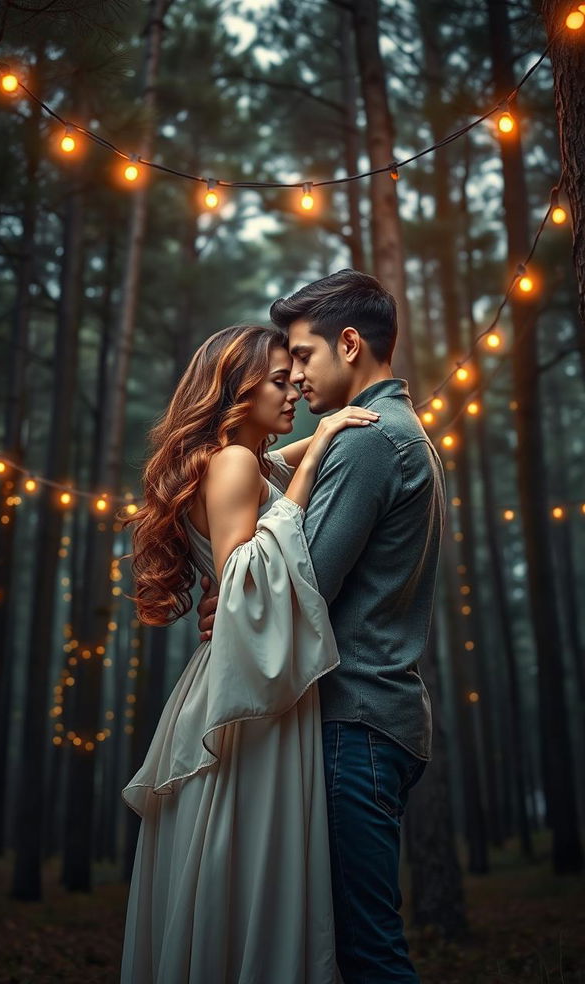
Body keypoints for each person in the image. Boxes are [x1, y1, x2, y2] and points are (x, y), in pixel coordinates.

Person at [197, 269, 447, 984]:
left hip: (356, 725)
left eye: (303, 357)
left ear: (348, 344)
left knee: (366, 951)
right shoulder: (400, 432)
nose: (297, 377)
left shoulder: (368, 441)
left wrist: (236, 601)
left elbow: (295, 587)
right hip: (376, 721)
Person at [119, 322, 379, 984]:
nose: (294, 387)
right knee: (251, 871)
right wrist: (317, 454)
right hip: (247, 702)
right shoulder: (234, 461)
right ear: (237, 390)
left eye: (296, 376)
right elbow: (243, 587)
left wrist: (306, 448)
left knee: (234, 875)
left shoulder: (243, 460)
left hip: (243, 688)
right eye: (277, 380)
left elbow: (269, 478)